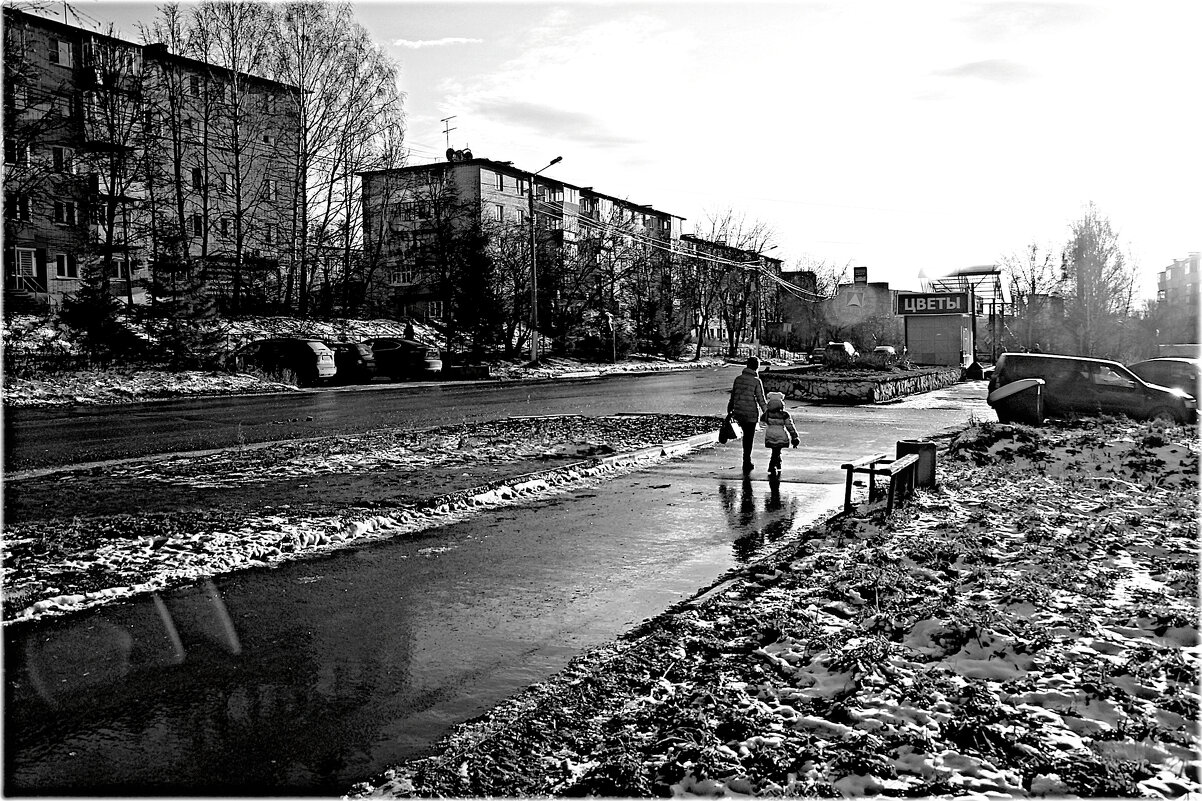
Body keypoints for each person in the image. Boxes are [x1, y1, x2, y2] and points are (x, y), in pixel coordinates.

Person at [727, 356, 768, 473]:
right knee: (748, 438)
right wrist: (767, 412)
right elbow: (761, 399)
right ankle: (746, 460)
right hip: (750, 414)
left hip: (738, 411)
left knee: (744, 435)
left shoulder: (738, 379)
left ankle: (746, 459)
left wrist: (731, 409)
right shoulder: (756, 381)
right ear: (756, 367)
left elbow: (733, 396)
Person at [760, 391, 800, 476]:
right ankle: (772, 465)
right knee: (776, 451)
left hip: (770, 434)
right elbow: (790, 426)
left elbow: (762, 422)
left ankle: (777, 463)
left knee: (775, 450)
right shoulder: (784, 414)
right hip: (781, 434)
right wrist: (794, 436)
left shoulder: (767, 414)